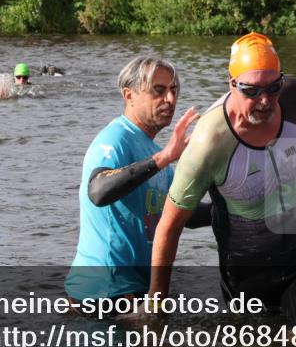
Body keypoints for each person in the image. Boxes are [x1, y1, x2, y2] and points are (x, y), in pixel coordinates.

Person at [149, 33, 296, 327]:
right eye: (251, 90)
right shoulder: (209, 142)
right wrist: (156, 309)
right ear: (232, 85)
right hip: (243, 272)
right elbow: (170, 225)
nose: (265, 100)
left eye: (273, 87)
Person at [65, 55, 211, 305]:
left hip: (134, 292)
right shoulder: (115, 138)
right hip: (101, 293)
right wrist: (163, 158)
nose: (170, 99)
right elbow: (98, 190)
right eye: (158, 90)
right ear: (129, 95)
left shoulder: (154, 152)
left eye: (173, 90)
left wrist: (244, 208)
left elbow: (183, 214)